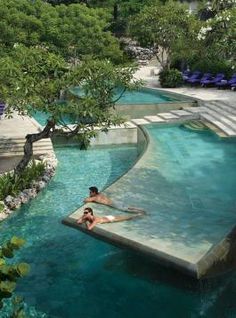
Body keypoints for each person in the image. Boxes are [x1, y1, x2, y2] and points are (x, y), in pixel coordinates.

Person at [77, 207, 142, 231]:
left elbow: (89, 228)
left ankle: (139, 214)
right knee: (125, 217)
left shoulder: (95, 219)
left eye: (86, 212)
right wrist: (83, 216)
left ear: (90, 213)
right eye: (84, 212)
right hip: (106, 217)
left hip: (110, 219)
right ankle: (136, 213)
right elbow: (78, 222)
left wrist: (86, 222)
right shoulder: (87, 217)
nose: (84, 213)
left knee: (127, 218)